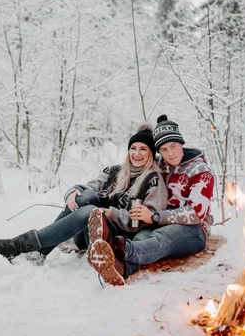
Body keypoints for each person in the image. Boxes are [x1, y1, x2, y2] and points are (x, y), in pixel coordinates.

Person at [0, 124, 168, 262]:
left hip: (112, 238)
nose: (137, 154)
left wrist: (111, 213)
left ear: (151, 154)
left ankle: (18, 246)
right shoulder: (115, 171)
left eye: (143, 149)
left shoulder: (153, 180)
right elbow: (88, 188)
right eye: (133, 148)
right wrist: (72, 192)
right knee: (85, 197)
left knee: (90, 211)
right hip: (85, 233)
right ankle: (39, 251)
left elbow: (148, 220)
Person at [87, 114, 215, 285]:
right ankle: (121, 268)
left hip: (191, 229)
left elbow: (195, 213)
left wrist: (155, 217)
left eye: (173, 146)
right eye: (163, 149)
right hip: (155, 222)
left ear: (181, 143)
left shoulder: (200, 171)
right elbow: (134, 163)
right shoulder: (158, 164)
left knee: (164, 237)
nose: (169, 153)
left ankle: (119, 248)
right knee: (144, 237)